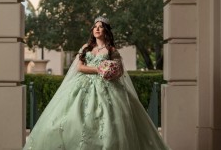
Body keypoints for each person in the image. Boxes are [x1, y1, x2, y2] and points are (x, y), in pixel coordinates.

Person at [23, 16, 170, 150]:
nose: (97, 29)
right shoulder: (86, 48)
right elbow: (80, 67)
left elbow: (118, 70)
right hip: (82, 85)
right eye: (95, 26)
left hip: (108, 87)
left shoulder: (111, 50)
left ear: (106, 31)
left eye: (100, 26)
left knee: (111, 123)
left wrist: (110, 70)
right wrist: (99, 69)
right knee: (70, 120)